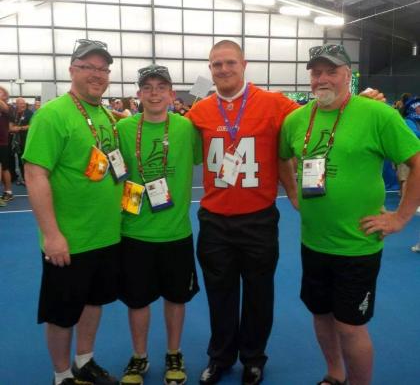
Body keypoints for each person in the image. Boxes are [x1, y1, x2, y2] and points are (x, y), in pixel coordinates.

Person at [279, 44, 420, 385]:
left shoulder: (378, 115)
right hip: (313, 242)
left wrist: (401, 217)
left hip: (357, 245)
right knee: (321, 316)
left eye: (331, 71)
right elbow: (283, 157)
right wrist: (293, 193)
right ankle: (334, 374)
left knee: (349, 326)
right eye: (316, 72)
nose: (322, 78)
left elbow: (416, 162)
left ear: (347, 75)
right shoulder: (296, 119)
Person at [186, 40, 300, 385]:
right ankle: (220, 357)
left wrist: (356, 104)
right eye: (216, 64)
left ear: (244, 64)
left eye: (229, 63)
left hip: (258, 219)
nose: (223, 70)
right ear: (210, 69)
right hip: (215, 220)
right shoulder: (200, 111)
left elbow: (318, 120)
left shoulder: (275, 103)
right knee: (219, 294)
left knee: (258, 293)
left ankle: (253, 357)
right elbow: (165, 131)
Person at [23, 39, 124, 385]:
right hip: (69, 240)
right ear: (72, 70)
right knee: (62, 313)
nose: (97, 74)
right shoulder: (52, 115)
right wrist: (52, 234)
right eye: (88, 67)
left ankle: (84, 361)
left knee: (95, 302)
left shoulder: (107, 115)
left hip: (107, 234)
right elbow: (35, 175)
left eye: (102, 68)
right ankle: (62, 373)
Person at [117, 64, 201, 385]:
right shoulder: (123, 129)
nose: (154, 92)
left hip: (176, 233)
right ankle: (139, 357)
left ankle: (173, 353)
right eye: (147, 87)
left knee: (176, 298)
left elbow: (203, 158)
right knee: (137, 301)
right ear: (138, 94)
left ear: (170, 93)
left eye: (160, 87)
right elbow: (116, 174)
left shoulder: (186, 128)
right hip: (134, 232)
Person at [9, 97, 33, 184]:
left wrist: (19, 128)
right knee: (18, 159)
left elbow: (31, 125)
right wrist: (12, 129)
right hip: (15, 141)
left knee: (25, 160)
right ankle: (21, 178)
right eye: (20, 103)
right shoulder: (14, 113)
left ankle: (28, 179)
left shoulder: (29, 113)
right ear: (16, 104)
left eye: (24, 103)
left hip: (25, 140)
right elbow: (10, 127)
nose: (23, 105)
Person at [0, 85, 13, 204]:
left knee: (4, 168)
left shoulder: (7, 107)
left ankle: (8, 192)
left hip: (2, 142)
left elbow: (3, 107)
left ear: (5, 96)